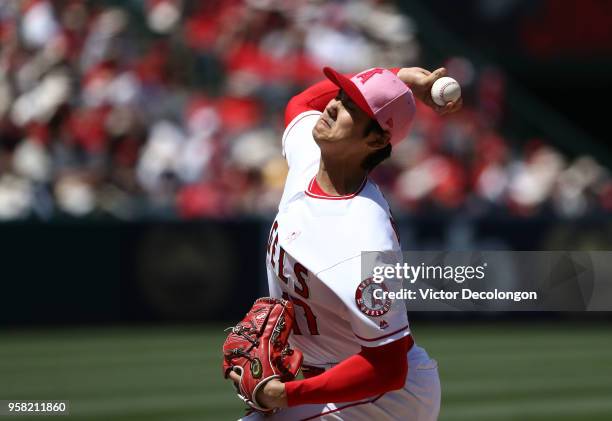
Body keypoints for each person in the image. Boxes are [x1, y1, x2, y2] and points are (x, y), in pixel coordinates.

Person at [229, 65, 461, 420]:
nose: (333, 106)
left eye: (353, 107)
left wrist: (286, 395)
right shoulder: (310, 159)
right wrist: (400, 78)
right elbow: (303, 101)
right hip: (336, 381)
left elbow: (388, 366)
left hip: (386, 397)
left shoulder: (365, 236)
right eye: (340, 96)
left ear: (377, 140)